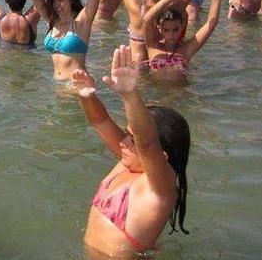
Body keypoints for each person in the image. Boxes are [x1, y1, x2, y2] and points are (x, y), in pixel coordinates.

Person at [72, 45, 191, 256]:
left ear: (161, 157)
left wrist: (130, 94)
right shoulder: (128, 161)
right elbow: (101, 121)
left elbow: (148, 144)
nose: (123, 142)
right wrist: (86, 96)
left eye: (132, 138)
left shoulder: (160, 190)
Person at [142, 0, 222, 83]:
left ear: (182, 27)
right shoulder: (153, 46)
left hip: (181, 96)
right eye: (166, 30)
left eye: (175, 30)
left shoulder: (187, 48)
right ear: (160, 29)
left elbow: (210, 25)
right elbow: (146, 21)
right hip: (156, 97)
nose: (171, 34)